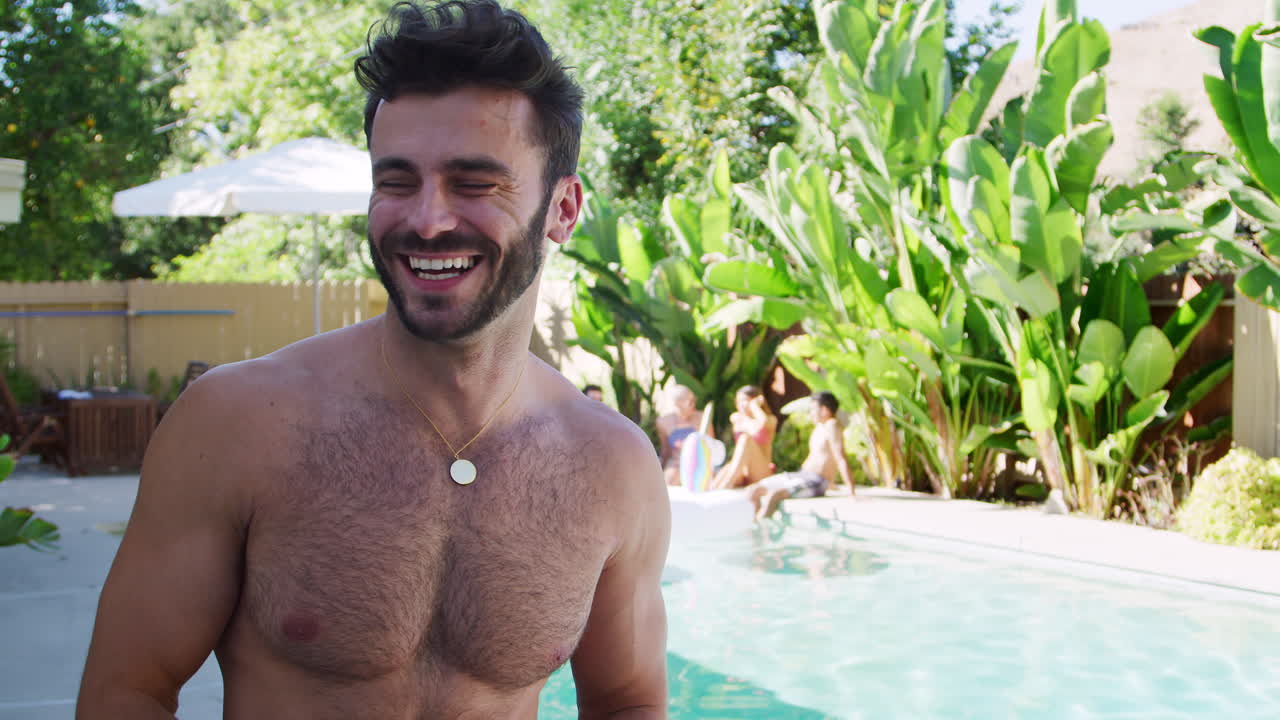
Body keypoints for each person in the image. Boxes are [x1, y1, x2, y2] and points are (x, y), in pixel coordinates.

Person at [76, 2, 670, 718]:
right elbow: (126, 692)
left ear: (563, 210)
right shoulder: (236, 426)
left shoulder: (613, 466)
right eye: (396, 181)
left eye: (474, 183)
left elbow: (628, 701)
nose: (427, 219)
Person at [747, 391, 854, 521]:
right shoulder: (819, 427)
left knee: (774, 495)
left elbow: (840, 458)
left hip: (815, 481)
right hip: (802, 475)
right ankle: (754, 527)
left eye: (813, 409)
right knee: (754, 490)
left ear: (824, 410)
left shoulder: (832, 425)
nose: (810, 413)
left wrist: (851, 491)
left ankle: (762, 530)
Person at [711, 385, 777, 490]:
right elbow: (753, 426)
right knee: (727, 468)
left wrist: (754, 406)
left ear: (756, 400)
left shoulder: (771, 420)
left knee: (746, 439)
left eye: (745, 400)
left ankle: (728, 483)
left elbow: (760, 425)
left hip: (760, 471)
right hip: (741, 471)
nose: (741, 405)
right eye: (738, 401)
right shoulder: (736, 418)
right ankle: (715, 488)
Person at [655, 385, 703, 486]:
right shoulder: (663, 421)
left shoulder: (701, 418)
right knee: (669, 480)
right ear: (678, 403)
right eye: (690, 401)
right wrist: (659, 473)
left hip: (699, 463)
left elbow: (711, 445)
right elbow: (665, 450)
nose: (694, 404)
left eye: (694, 400)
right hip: (677, 463)